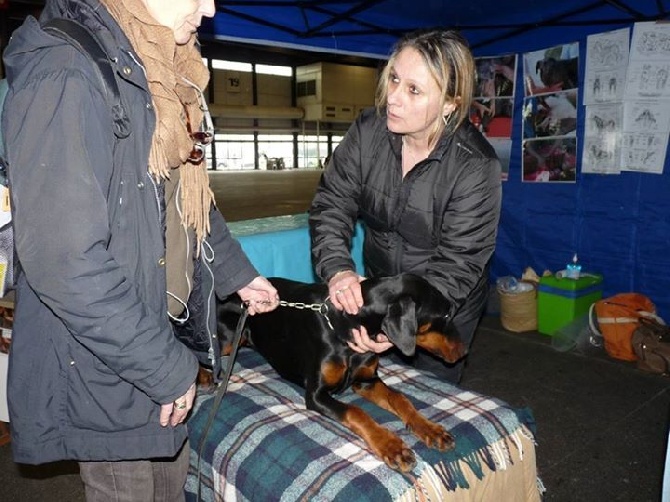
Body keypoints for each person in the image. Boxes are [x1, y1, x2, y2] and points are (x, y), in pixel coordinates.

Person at [1, 0, 279, 500]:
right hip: (105, 355)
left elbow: (181, 197)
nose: (211, 8)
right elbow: (65, 261)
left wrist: (238, 273)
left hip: (153, 330)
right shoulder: (68, 71)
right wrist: (165, 368)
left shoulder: (154, 68)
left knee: (170, 488)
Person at [309, 28, 502, 384]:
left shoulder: (475, 166)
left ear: (449, 103)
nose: (393, 98)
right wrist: (338, 270)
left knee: (430, 394)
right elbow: (332, 203)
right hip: (382, 290)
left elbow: (457, 267)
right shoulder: (369, 132)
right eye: (394, 79)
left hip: (441, 305)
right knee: (370, 383)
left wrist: (398, 329)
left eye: (413, 90)